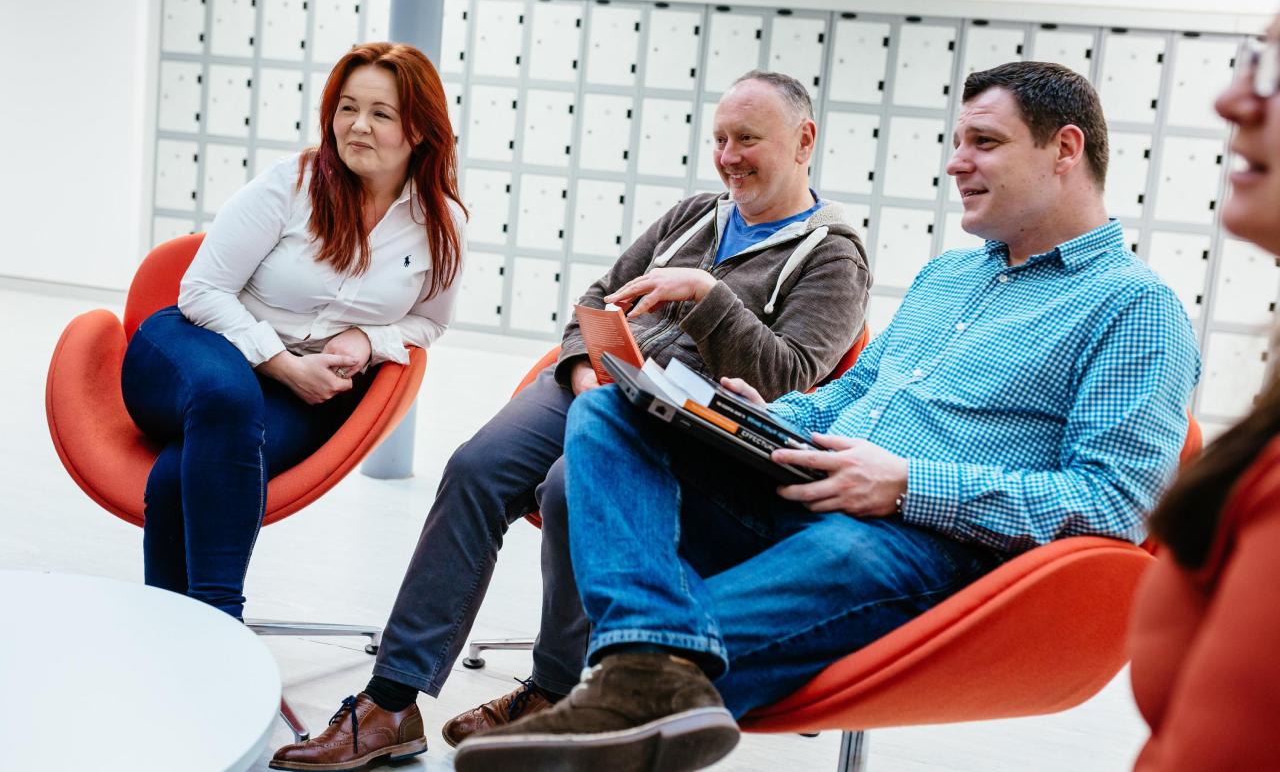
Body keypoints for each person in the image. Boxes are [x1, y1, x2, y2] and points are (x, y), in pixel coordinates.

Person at [452, 60, 1202, 772]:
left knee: (843, 550)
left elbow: (1115, 504)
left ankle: (634, 677)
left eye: (985, 143)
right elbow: (856, 391)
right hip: (803, 479)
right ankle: (648, 671)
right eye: (956, 142)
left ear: (1064, 149)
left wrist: (906, 485)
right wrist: (765, 414)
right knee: (615, 411)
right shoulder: (948, 275)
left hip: (919, 541)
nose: (954, 163)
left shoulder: (1135, 307)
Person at [269, 70, 872, 771]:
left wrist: (707, 296)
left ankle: (552, 691)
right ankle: (392, 702)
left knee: (568, 486)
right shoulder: (694, 216)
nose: (729, 156)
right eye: (720, 139)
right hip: (601, 385)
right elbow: (597, 298)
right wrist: (585, 369)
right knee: (475, 468)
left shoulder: (831, 253)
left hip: (690, 431)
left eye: (748, 140)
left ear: (803, 141)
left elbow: (786, 374)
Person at [121, 42, 466, 635]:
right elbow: (200, 292)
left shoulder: (441, 223)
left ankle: (168, 635)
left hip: (300, 393)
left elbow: (429, 322)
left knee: (181, 471)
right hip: (192, 349)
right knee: (227, 398)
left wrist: (368, 336)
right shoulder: (291, 185)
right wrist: (280, 363)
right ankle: (220, 626)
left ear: (420, 130)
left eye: (380, 114)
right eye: (347, 107)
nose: (357, 126)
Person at [1127, 16, 1280, 771]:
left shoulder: (1135, 305)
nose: (1230, 99)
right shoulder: (949, 278)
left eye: (1275, 70)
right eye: (1254, 58)